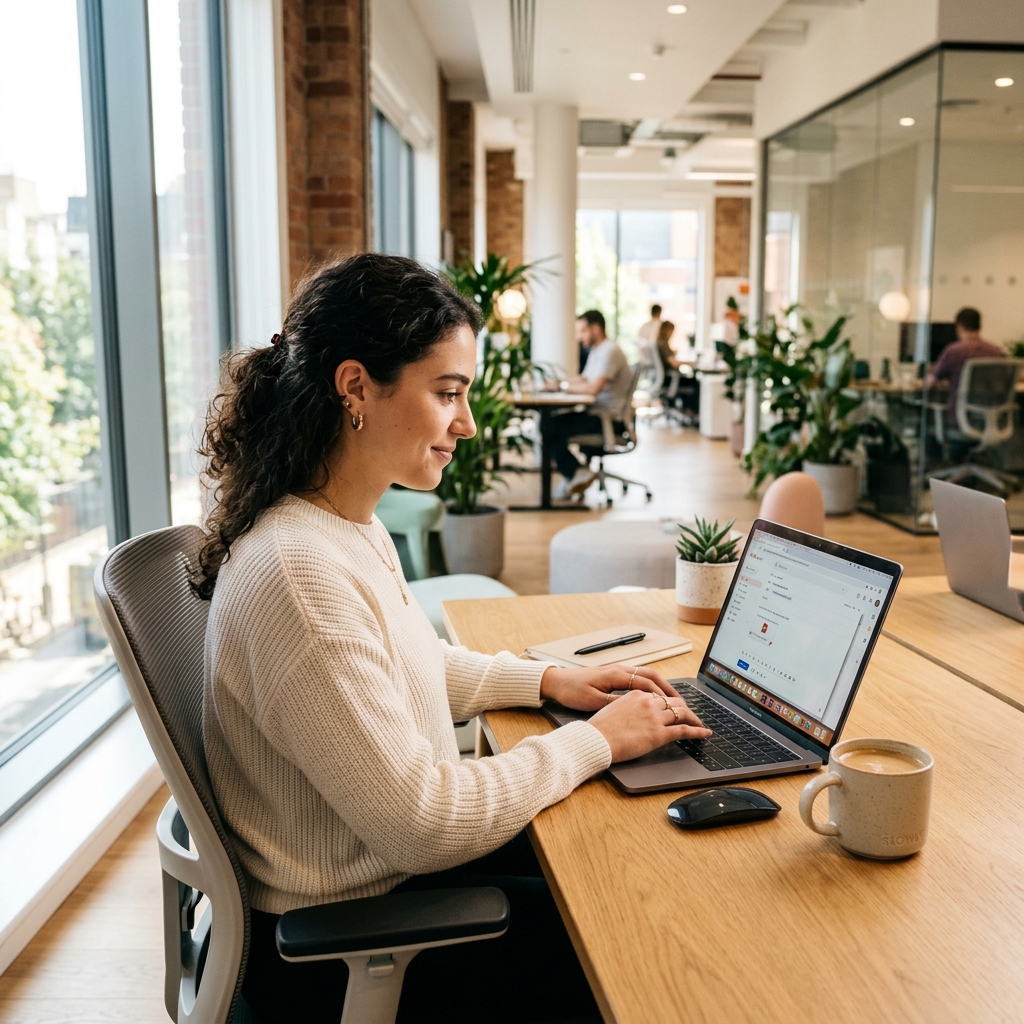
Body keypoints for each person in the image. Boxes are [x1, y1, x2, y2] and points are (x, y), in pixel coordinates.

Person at [197, 255, 710, 1024]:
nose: (467, 424)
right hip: (347, 946)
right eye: (448, 393)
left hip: (379, 889)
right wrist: (594, 742)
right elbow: (424, 823)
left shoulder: (338, 522)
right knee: (646, 947)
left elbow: (404, 661)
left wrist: (543, 683)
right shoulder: (299, 572)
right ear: (355, 387)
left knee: (624, 863)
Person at [544, 309, 633, 500]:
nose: (579, 336)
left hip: (607, 420)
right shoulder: (598, 350)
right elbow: (585, 379)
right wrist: (559, 385)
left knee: (549, 425)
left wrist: (563, 387)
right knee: (551, 422)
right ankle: (575, 474)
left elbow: (593, 388)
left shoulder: (610, 350)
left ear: (596, 328)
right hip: (597, 414)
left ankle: (576, 472)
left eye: (583, 331)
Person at [928, 307, 1004, 428]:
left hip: (958, 420)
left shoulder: (953, 351)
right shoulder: (996, 352)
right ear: (980, 327)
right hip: (990, 420)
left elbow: (931, 381)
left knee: (927, 421)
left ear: (959, 327)